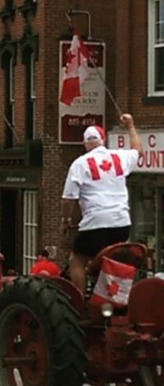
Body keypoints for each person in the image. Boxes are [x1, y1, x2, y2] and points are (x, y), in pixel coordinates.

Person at [62, 117, 143, 291]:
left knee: (77, 261)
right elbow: (137, 149)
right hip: (121, 223)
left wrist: (66, 219)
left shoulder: (79, 164)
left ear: (85, 144)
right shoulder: (119, 157)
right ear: (103, 140)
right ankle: (114, 301)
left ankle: (79, 304)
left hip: (94, 224)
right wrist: (130, 126)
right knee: (113, 261)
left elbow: (69, 199)